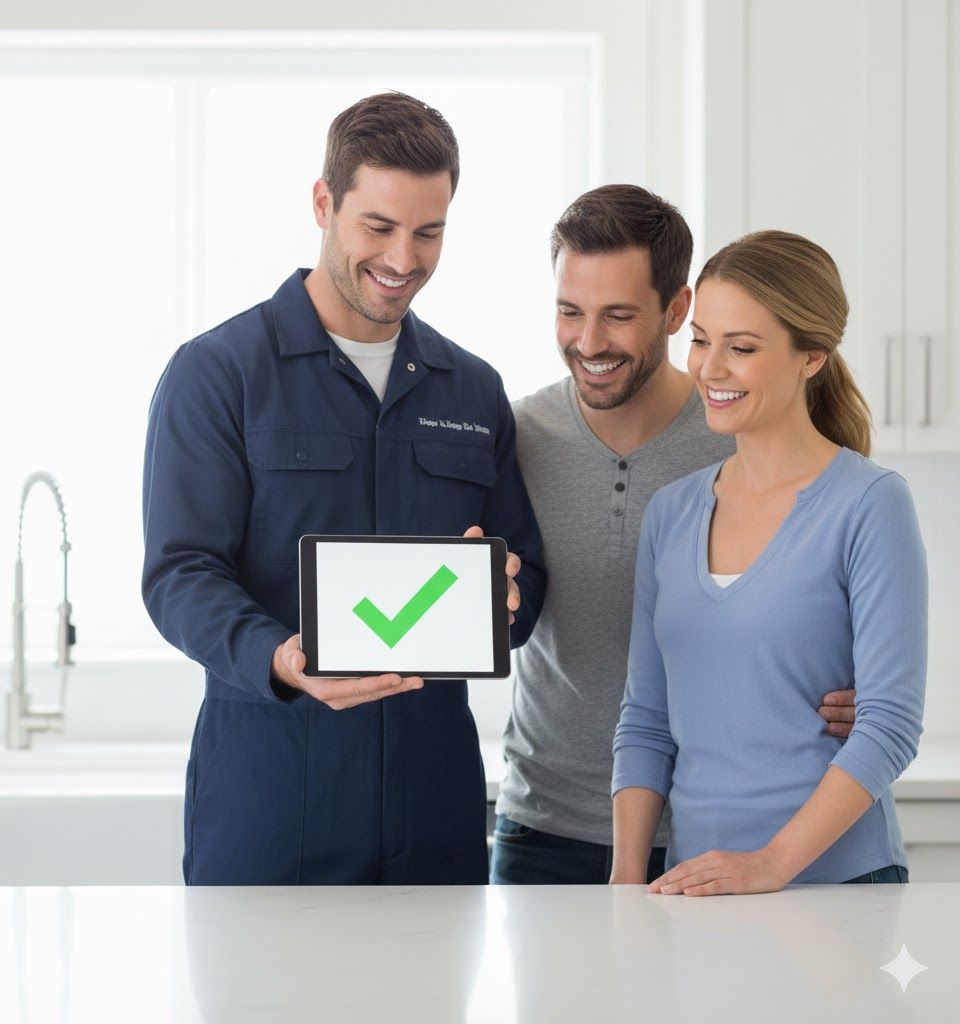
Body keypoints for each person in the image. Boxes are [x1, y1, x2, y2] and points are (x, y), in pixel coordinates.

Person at [142, 92, 546, 886]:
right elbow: (180, 574)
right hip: (271, 786)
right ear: (324, 204)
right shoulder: (219, 374)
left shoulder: (471, 389)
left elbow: (525, 583)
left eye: (429, 232)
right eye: (379, 227)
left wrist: (504, 596)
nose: (404, 258)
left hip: (434, 804)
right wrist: (284, 659)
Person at [491, 187, 858, 886]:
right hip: (541, 824)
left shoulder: (745, 432)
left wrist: (861, 690)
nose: (590, 342)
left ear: (677, 310)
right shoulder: (517, 438)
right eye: (570, 312)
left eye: (619, 316)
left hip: (719, 832)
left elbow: (830, 605)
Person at [611, 230, 927, 892]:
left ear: (812, 356)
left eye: (743, 348)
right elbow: (646, 719)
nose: (710, 367)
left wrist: (770, 865)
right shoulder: (670, 514)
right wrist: (624, 881)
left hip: (842, 887)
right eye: (701, 339)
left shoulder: (869, 503)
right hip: (695, 885)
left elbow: (890, 725)